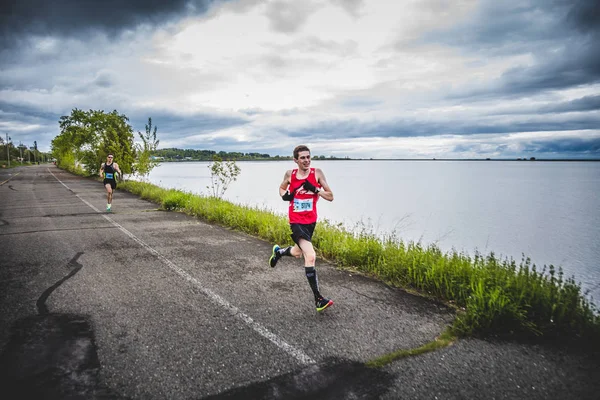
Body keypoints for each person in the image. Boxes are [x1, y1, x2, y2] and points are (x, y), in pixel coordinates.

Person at [269, 145, 335, 312]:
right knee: (310, 255)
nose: (306, 160)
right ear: (295, 160)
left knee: (298, 252)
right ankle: (318, 299)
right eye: (302, 158)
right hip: (296, 221)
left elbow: (331, 196)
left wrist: (316, 190)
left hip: (311, 221)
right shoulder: (290, 175)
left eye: (308, 157)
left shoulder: (317, 173)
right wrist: (286, 195)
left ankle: (279, 252)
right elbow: (282, 188)